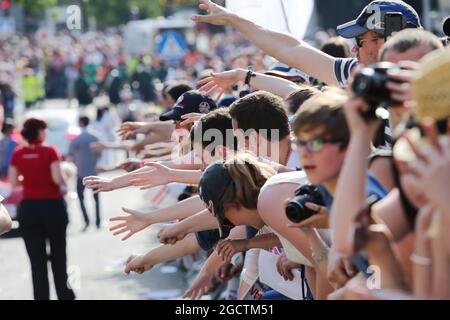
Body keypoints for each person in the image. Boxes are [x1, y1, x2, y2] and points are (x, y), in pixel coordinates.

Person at [192, 0, 421, 87]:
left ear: (392, 40)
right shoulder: (361, 74)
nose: (353, 49)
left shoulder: (437, 84)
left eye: (361, 41)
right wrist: (235, 20)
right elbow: (291, 48)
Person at [8, 118, 75, 300]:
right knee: (58, 254)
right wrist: (64, 178)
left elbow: (14, 182)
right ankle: (64, 294)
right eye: (44, 130)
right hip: (52, 206)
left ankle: (41, 297)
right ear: (39, 132)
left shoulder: (18, 152)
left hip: (28, 208)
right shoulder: (50, 150)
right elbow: (56, 178)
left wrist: (30, 179)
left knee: (36, 260)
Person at [68, 116, 102, 231]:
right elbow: (100, 153)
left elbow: (70, 156)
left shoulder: (76, 139)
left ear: (80, 123)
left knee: (81, 197)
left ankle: (86, 220)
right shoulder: (95, 137)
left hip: (81, 172)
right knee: (96, 198)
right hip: (94, 171)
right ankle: (98, 221)